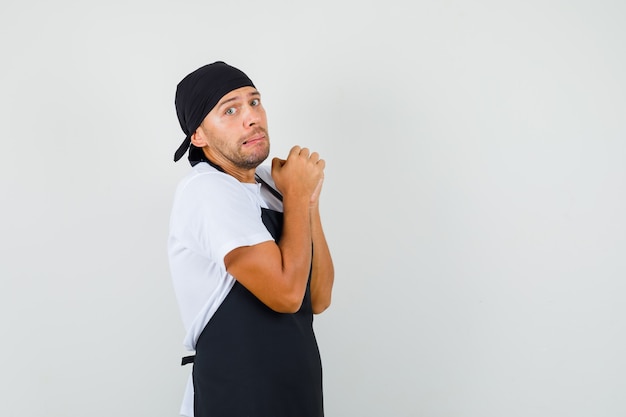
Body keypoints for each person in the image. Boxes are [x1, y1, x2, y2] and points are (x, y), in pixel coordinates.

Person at [168, 61, 334, 417]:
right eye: (230, 109)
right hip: (237, 398)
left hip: (296, 395)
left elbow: (317, 297)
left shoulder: (272, 187)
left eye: (254, 102)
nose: (252, 117)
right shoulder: (207, 189)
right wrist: (296, 196)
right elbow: (288, 295)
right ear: (198, 136)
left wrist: (306, 201)